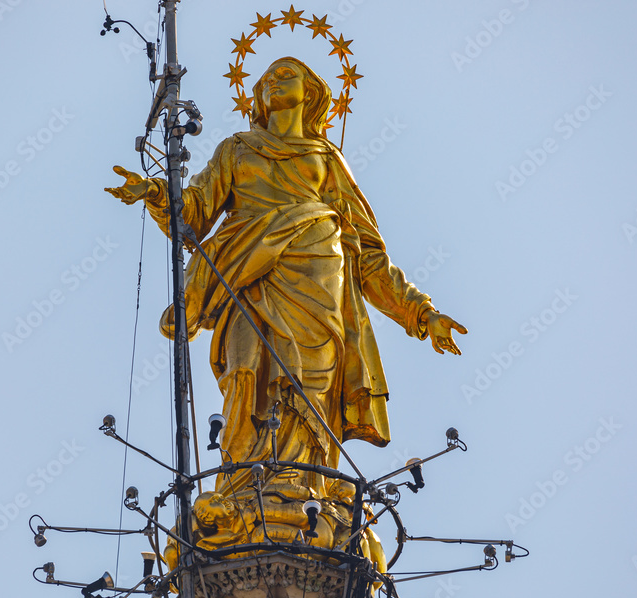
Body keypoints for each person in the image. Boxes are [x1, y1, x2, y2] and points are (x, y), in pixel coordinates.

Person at [107, 56, 466, 503]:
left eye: (285, 75)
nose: (273, 82)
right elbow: (194, 213)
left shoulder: (325, 158)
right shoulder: (236, 149)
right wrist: (157, 191)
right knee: (245, 373)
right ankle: (242, 484)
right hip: (248, 278)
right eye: (266, 79)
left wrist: (420, 312)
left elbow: (369, 257)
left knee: (310, 390)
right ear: (256, 96)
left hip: (319, 287)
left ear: (311, 90)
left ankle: (308, 490)